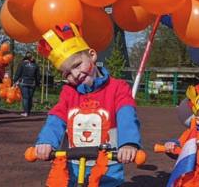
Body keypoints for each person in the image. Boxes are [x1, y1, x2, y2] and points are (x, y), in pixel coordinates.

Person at [34, 23, 141, 186]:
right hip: (73, 165)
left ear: (91, 55)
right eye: (67, 73)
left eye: (77, 65)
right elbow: (57, 117)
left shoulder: (117, 87)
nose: (75, 74)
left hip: (108, 167)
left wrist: (128, 143)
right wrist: (46, 141)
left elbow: (126, 115)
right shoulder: (69, 92)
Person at [13, 52, 40, 117]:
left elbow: (18, 73)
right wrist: (38, 83)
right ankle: (28, 111)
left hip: (23, 82)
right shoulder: (36, 65)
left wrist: (14, 81)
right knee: (30, 98)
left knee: (25, 98)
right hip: (32, 83)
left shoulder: (22, 64)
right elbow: (38, 76)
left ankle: (26, 112)